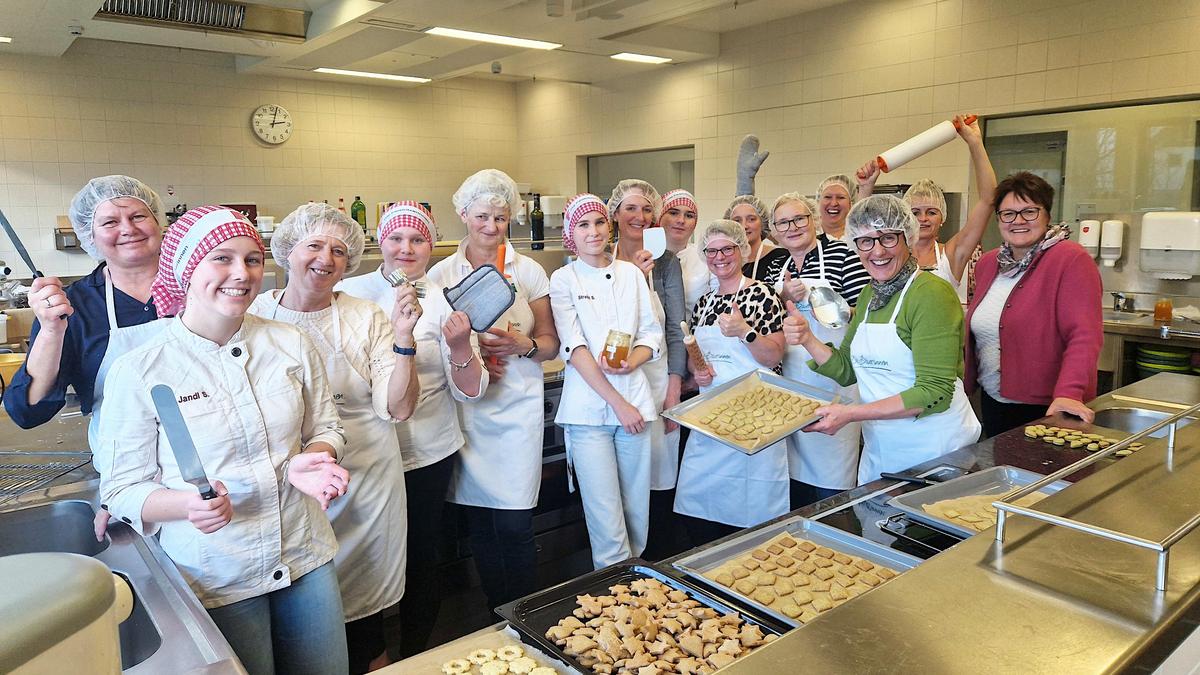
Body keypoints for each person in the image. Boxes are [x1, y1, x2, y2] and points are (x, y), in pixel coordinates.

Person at [93, 206, 352, 675]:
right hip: (216, 569)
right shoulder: (143, 370)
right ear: (187, 269)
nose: (241, 273)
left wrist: (314, 459)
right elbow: (121, 487)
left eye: (253, 259)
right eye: (222, 258)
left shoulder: (290, 344)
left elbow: (327, 429)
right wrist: (185, 505)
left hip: (303, 551)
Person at [248, 203, 422, 673]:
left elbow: (398, 407)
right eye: (314, 245)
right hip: (288, 487)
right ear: (287, 251)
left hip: (365, 480)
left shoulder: (366, 317)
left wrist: (405, 338)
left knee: (363, 618)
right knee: (298, 610)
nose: (326, 258)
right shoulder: (254, 314)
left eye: (340, 250)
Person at [336, 201, 487, 658]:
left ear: (430, 244)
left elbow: (472, 389)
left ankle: (415, 654)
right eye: (396, 238)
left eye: (417, 239)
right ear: (379, 242)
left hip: (425, 452)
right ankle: (368, 655)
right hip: (359, 454)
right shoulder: (347, 292)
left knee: (423, 557)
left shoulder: (447, 298)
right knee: (361, 556)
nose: (406, 248)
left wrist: (460, 344)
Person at [426, 169, 560, 609]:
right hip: (469, 412)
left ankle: (523, 614)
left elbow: (549, 344)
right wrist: (474, 356)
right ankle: (496, 617)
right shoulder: (442, 274)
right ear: (463, 213)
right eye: (482, 216)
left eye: (500, 218)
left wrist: (523, 346)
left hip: (517, 412)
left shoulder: (529, 271)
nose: (491, 227)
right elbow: (437, 345)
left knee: (517, 524)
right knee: (481, 523)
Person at [784, 195, 981, 484]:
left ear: (908, 238)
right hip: (882, 448)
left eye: (888, 238)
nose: (877, 251)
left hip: (934, 450)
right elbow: (848, 370)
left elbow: (934, 392)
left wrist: (851, 414)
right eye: (865, 241)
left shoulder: (931, 294)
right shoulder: (869, 295)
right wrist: (807, 338)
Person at [550, 193, 661, 568]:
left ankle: (637, 588)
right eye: (583, 225)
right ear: (571, 235)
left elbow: (651, 334)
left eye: (598, 222)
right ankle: (616, 599)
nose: (593, 231)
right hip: (589, 413)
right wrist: (619, 403)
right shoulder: (563, 279)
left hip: (636, 403)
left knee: (636, 512)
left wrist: (633, 361)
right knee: (605, 516)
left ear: (608, 226)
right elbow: (574, 348)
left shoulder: (631, 273)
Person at [5, 176, 162, 429]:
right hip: (125, 458)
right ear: (90, 235)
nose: (128, 229)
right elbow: (28, 412)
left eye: (138, 217)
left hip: (216, 451)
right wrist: (50, 332)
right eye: (110, 222)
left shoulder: (198, 286)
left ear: (157, 221)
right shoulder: (72, 306)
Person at [674, 220, 788, 544]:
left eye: (727, 249)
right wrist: (698, 374)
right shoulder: (703, 305)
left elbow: (773, 357)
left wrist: (744, 331)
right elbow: (694, 356)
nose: (719, 256)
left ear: (742, 250)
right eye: (712, 250)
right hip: (710, 422)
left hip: (757, 422)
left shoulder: (762, 295)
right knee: (701, 515)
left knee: (754, 526)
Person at [965, 172, 1103, 437]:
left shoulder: (1070, 259)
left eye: (1029, 211)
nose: (1018, 221)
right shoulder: (988, 263)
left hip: (1047, 407)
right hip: (992, 399)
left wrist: (1069, 393)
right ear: (998, 220)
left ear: (1047, 215)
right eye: (1008, 214)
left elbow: (1084, 335)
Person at [765, 193, 868, 507]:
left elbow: (864, 308)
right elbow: (766, 318)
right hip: (792, 383)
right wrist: (781, 294)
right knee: (794, 482)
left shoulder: (842, 254)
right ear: (775, 230)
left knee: (833, 480)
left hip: (834, 377)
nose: (793, 227)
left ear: (813, 220)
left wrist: (829, 306)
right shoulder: (775, 266)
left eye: (800, 218)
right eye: (784, 222)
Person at [607, 179, 686, 559]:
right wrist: (632, 280)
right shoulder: (599, 261)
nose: (640, 217)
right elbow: (604, 331)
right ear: (615, 215)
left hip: (657, 384)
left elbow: (674, 328)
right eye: (631, 209)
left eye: (646, 210)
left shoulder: (667, 262)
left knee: (656, 483)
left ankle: (658, 564)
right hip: (613, 385)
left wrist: (674, 389)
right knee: (619, 485)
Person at [857, 115, 997, 303]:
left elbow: (988, 200)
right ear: (904, 218)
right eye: (915, 213)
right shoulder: (888, 253)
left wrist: (975, 142)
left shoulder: (952, 255)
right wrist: (865, 187)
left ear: (943, 217)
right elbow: (860, 228)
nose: (923, 218)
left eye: (931, 212)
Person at [661, 189, 712, 314]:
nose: (681, 220)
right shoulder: (643, 256)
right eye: (673, 213)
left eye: (689, 215)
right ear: (659, 216)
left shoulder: (705, 257)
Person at [725, 194, 774, 273]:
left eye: (751, 219)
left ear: (763, 223)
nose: (744, 226)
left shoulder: (780, 257)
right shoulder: (723, 262)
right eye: (737, 221)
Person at [815, 174, 858, 242]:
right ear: (818, 202)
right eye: (827, 197)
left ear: (851, 203)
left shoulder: (859, 235)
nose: (834, 203)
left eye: (841, 197)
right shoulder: (807, 236)